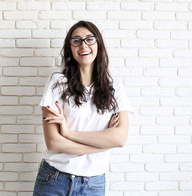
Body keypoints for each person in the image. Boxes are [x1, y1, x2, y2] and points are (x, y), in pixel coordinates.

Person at [33, 20, 134, 196]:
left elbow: (119, 139)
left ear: (98, 44)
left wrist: (69, 133)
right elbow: (53, 142)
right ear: (70, 48)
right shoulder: (58, 82)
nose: (83, 45)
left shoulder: (115, 88)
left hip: (92, 184)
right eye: (76, 40)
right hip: (54, 179)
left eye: (89, 39)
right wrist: (102, 145)